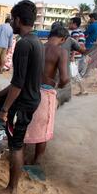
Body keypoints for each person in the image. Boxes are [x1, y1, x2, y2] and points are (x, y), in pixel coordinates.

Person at [0, 0, 44, 194]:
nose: (11, 22)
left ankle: (12, 189)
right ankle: (13, 185)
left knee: (15, 145)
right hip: (31, 99)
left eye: (12, 19)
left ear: (18, 19)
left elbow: (18, 84)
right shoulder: (37, 42)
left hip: (22, 103)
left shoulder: (23, 44)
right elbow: (20, 82)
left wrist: (4, 111)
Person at [24, 26, 70, 166]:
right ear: (63, 39)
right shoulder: (61, 52)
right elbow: (64, 78)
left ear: (50, 35)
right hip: (45, 93)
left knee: (25, 125)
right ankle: (36, 161)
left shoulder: (37, 47)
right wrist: (60, 85)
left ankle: (21, 157)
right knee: (43, 130)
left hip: (28, 90)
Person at [67, 17, 88, 96]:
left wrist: (72, 55)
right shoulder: (81, 32)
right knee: (74, 73)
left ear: (75, 24)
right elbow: (82, 44)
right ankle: (82, 90)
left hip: (75, 56)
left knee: (74, 73)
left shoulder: (75, 32)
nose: (69, 24)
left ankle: (83, 90)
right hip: (79, 55)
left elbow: (75, 44)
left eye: (70, 23)